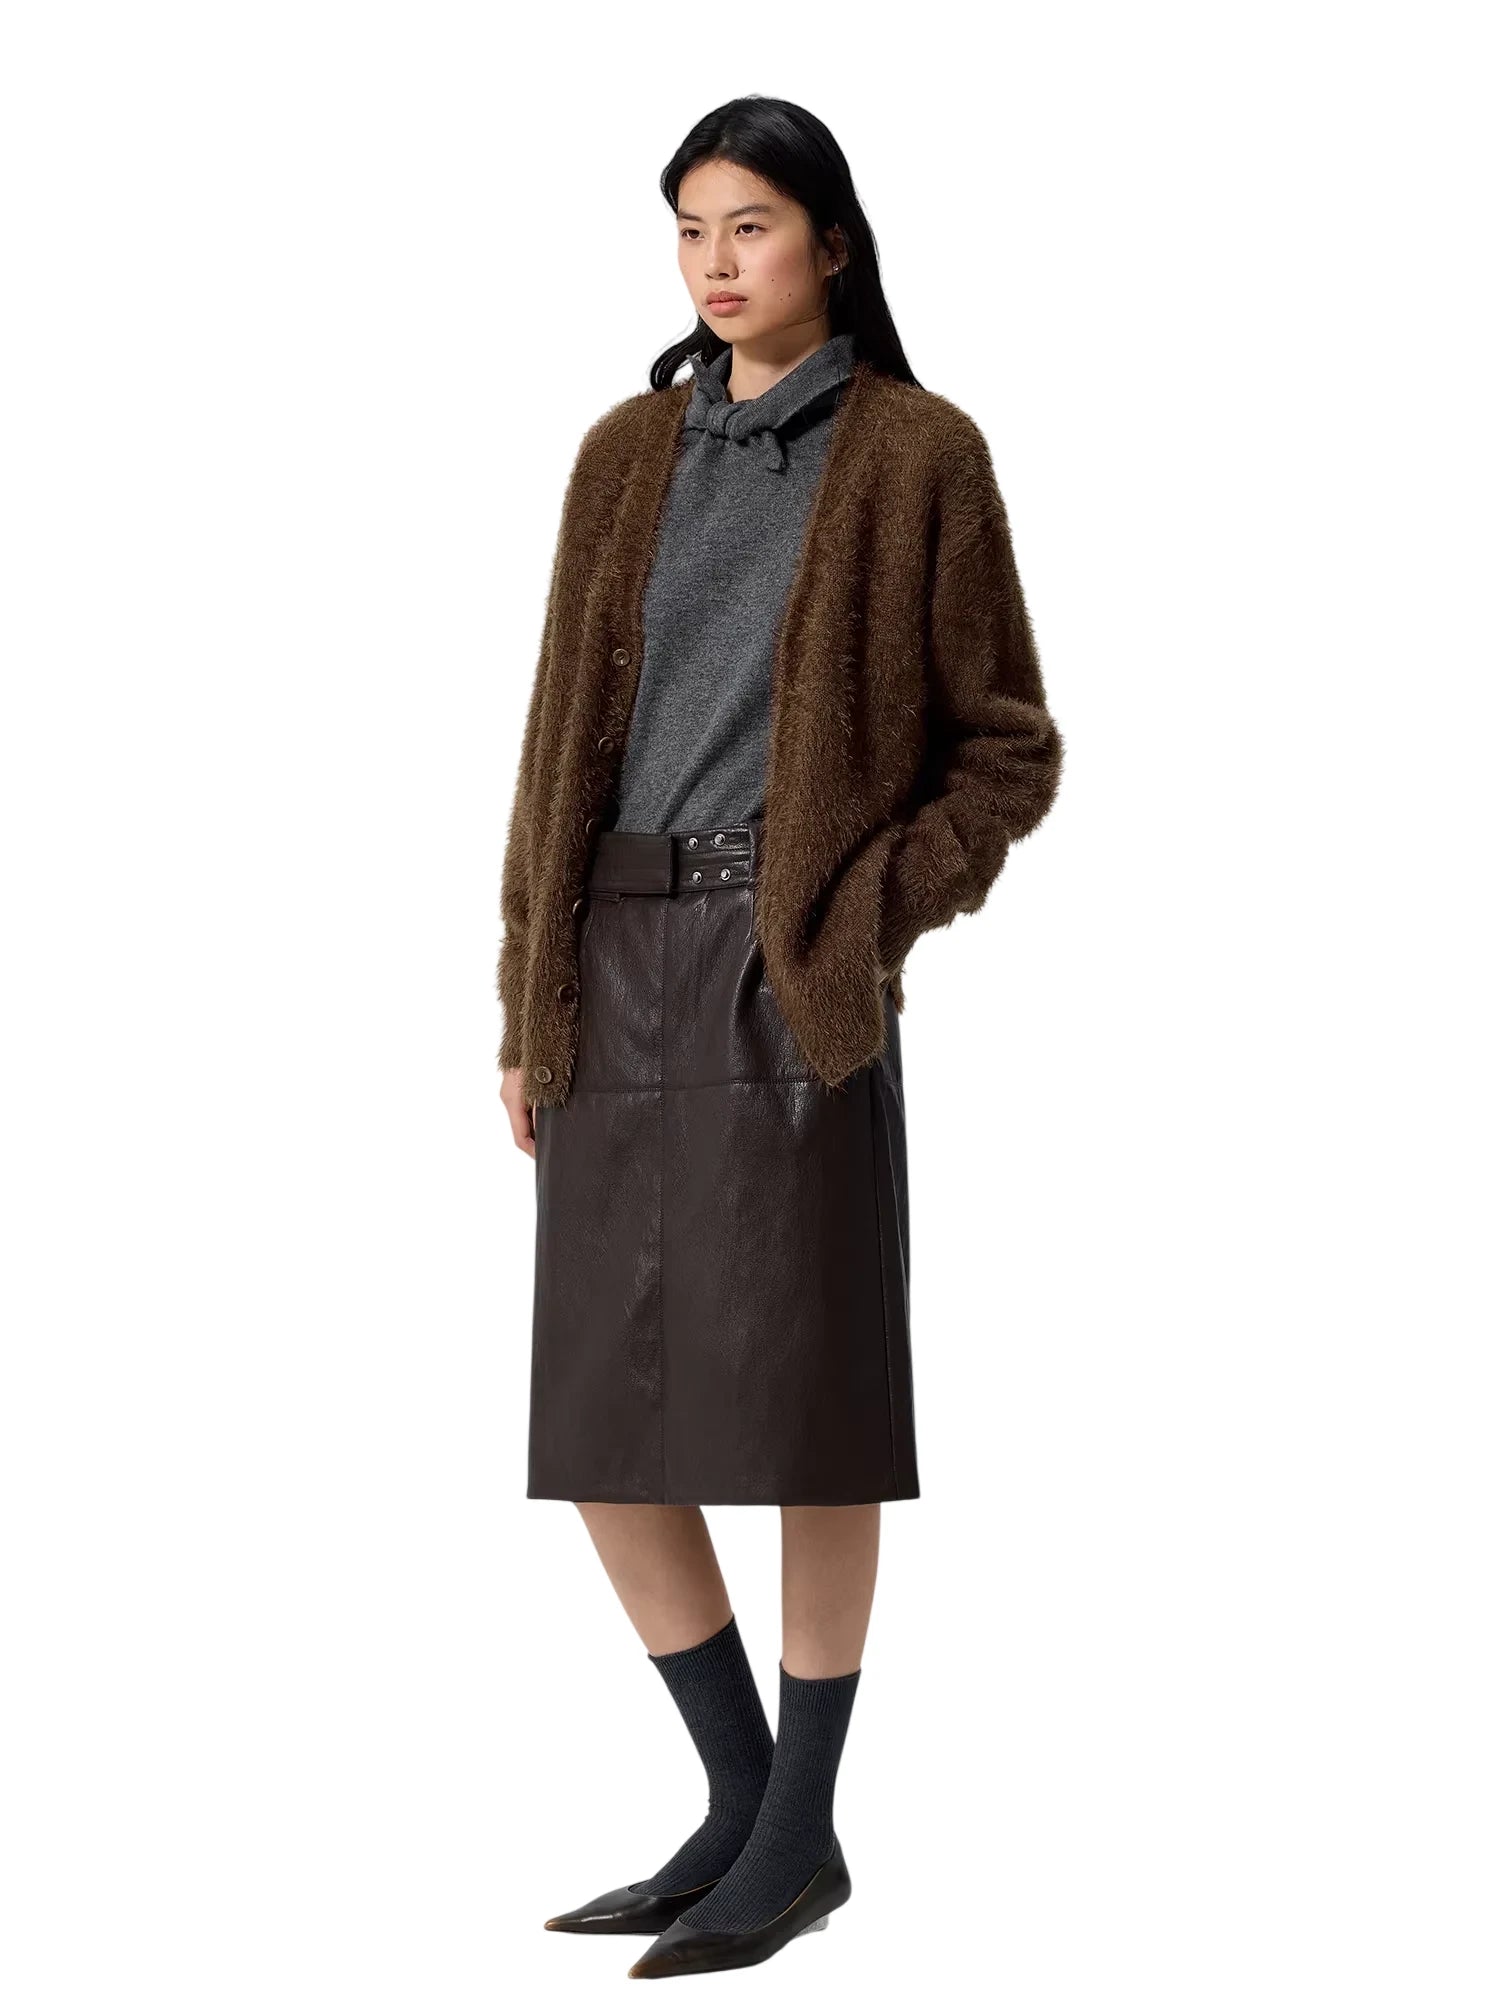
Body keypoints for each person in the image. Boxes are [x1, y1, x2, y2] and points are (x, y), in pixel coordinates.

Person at [495, 95, 1063, 1977]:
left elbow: (1005, 747)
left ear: (832, 239)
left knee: (810, 1416)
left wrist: (864, 909)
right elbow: (555, 741)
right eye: (688, 229)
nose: (715, 262)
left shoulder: (917, 452)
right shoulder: (622, 454)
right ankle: (751, 1806)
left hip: (787, 968)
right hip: (611, 959)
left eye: (749, 224)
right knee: (603, 1422)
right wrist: (526, 993)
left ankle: (798, 1826)